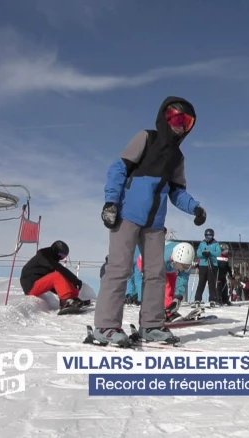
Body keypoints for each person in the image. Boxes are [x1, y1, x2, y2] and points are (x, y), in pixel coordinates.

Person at [93, 96, 207, 347]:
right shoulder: (146, 138)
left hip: (155, 222)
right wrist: (111, 202)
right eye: (177, 119)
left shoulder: (177, 158)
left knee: (155, 273)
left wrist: (195, 208)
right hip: (127, 215)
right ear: (166, 117)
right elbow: (118, 169)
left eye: (186, 123)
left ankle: (152, 325)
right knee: (120, 269)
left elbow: (177, 192)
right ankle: (106, 325)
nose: (180, 126)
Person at [20, 240, 84, 313]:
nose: (61, 258)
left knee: (62, 277)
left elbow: (54, 285)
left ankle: (73, 299)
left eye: (63, 257)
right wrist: (75, 280)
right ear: (55, 250)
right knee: (58, 275)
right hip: (30, 285)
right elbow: (60, 269)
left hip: (37, 283)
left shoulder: (49, 260)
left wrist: (69, 289)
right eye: (61, 255)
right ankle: (66, 302)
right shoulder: (44, 255)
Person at [164, 241, 195, 321]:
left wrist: (178, 297)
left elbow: (183, 278)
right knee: (165, 287)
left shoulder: (185, 260)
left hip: (169, 267)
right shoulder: (162, 256)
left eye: (186, 267)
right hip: (148, 263)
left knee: (173, 286)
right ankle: (159, 313)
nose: (182, 269)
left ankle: (170, 311)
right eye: (182, 266)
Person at [192, 228, 222, 307]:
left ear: (212, 236)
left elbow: (218, 253)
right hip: (203, 265)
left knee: (211, 283)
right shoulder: (202, 243)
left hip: (212, 265)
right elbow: (198, 253)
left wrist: (210, 253)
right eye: (207, 236)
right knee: (201, 282)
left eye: (210, 236)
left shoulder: (216, 244)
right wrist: (203, 253)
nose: (208, 238)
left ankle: (212, 299)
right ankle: (197, 299)